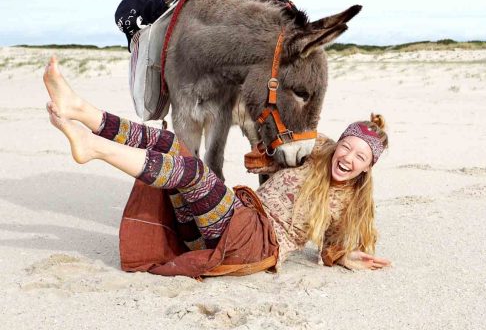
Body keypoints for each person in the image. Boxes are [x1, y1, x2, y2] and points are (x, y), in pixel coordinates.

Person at [43, 57, 391, 277]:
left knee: (193, 175)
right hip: (228, 221)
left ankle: (93, 149)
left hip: (254, 243)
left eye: (360, 157)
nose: (348, 158)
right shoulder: (314, 147)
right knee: (177, 147)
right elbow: (273, 134)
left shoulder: (350, 201)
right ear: (338, 143)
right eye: (347, 148)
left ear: (367, 168)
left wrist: (346, 256)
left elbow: (332, 247)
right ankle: (82, 111)